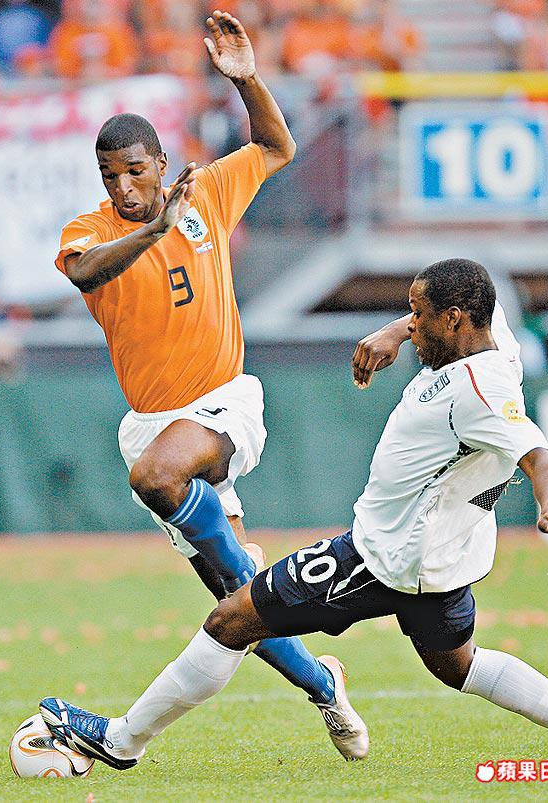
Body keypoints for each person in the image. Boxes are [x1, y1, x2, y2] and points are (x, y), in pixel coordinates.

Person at [41, 259, 548, 769]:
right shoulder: (492, 336)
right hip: (445, 563)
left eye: (418, 315)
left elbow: (539, 457)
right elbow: (455, 320)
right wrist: (395, 332)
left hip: (381, 560)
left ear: (453, 320)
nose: (411, 324)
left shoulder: (481, 392)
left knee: (231, 621)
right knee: (462, 667)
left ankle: (122, 741)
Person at [51, 9, 364, 763]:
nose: (123, 185)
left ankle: (124, 741)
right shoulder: (91, 231)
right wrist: (154, 229)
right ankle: (324, 684)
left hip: (224, 403)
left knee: (157, 476)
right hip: (151, 422)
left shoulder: (208, 193)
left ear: (161, 162)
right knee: (238, 605)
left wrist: (247, 80)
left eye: (135, 170)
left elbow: (277, 146)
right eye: (110, 175)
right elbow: (86, 272)